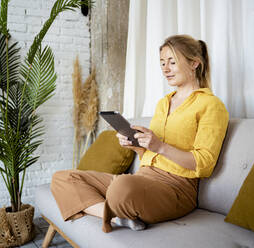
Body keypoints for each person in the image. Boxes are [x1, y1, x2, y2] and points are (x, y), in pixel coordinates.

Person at [50, 34, 229, 233]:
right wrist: (136, 145)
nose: (165, 69)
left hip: (176, 188)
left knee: (122, 185)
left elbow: (204, 164)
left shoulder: (211, 105)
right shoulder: (163, 103)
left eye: (172, 62)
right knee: (62, 177)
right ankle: (116, 217)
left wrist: (160, 146)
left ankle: (116, 209)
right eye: (162, 63)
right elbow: (147, 155)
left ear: (194, 63)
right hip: (141, 179)